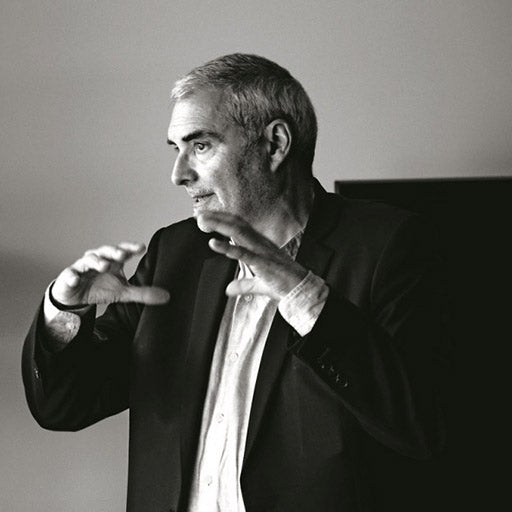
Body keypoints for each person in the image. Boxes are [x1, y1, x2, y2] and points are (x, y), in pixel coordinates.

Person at [22, 54, 447, 512]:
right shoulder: (174, 254)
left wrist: (306, 298)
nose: (178, 174)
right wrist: (66, 312)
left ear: (275, 144)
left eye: (201, 146)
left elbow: (423, 428)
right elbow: (65, 406)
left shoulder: (391, 246)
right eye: (175, 149)